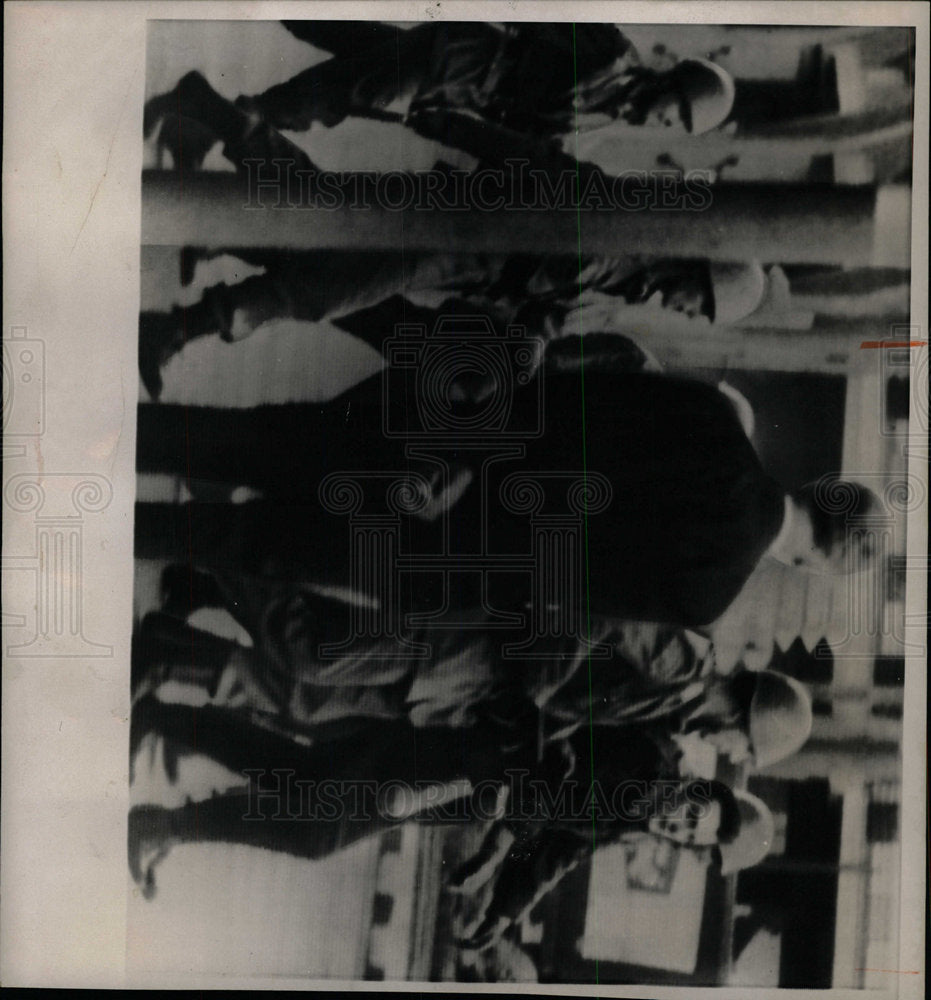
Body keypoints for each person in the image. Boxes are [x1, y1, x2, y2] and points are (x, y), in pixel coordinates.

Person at [134, 364, 881, 628]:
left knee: (243, 443)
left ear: (818, 482)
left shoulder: (715, 421)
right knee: (241, 542)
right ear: (811, 568)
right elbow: (550, 587)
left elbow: (567, 394)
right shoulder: (704, 598)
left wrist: (461, 455)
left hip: (438, 448)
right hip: (445, 560)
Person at [137, 251, 766, 400]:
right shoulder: (627, 347)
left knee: (353, 297)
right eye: (698, 301)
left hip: (465, 338)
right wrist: (516, 362)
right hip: (467, 258)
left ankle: (202, 308)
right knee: (340, 289)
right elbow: (541, 324)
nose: (686, 312)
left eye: (696, 316)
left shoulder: (631, 295)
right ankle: (183, 323)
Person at [143, 22, 736, 176]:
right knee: (326, 99)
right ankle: (198, 110)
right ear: (673, 83)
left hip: (454, 88)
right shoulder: (612, 52)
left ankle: (198, 110)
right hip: (458, 55)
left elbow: (529, 132)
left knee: (337, 43)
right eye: (677, 109)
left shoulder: (603, 123)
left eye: (676, 126)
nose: (666, 121)